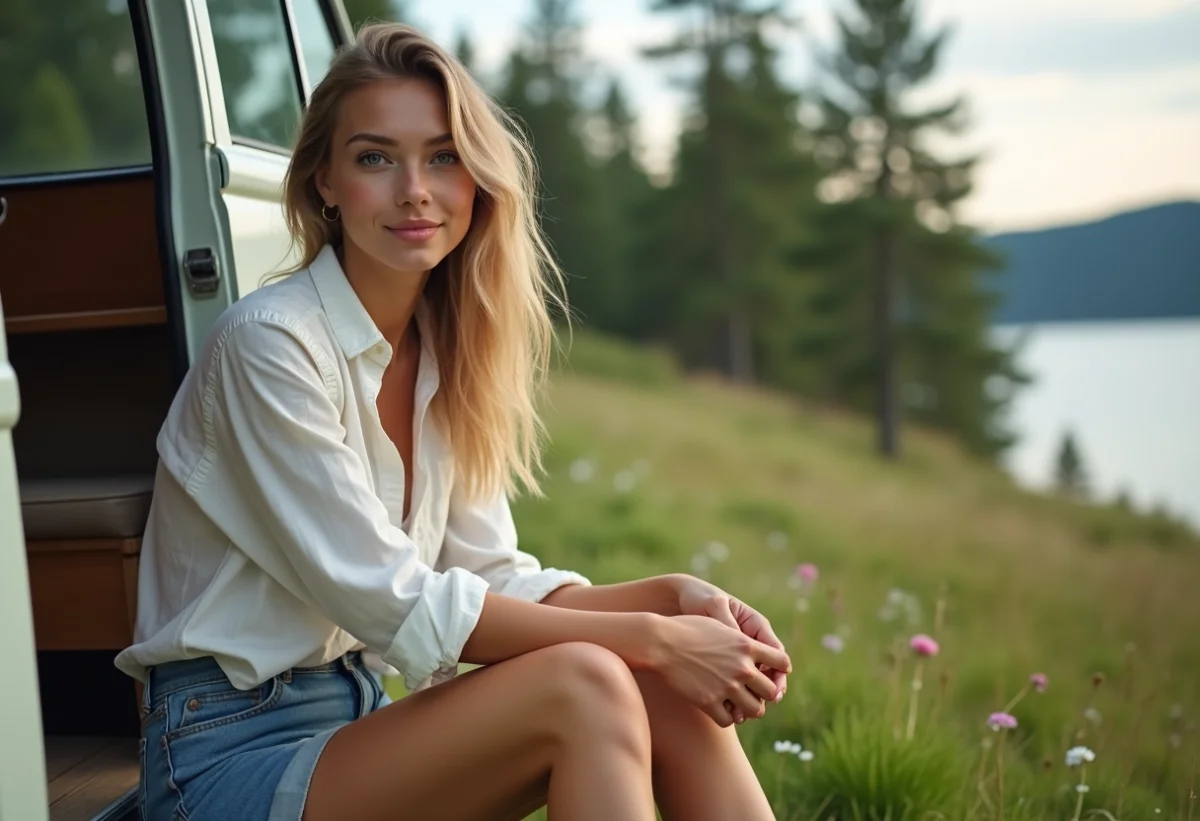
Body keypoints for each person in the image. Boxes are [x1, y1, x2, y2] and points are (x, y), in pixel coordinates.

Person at [116, 22, 791, 821]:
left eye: (442, 157)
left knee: (654, 684)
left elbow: (491, 577)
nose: (415, 190)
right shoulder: (269, 346)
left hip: (354, 721)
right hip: (221, 754)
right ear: (326, 180)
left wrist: (673, 598)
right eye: (376, 159)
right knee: (589, 679)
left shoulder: (443, 355)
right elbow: (395, 602)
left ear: (476, 180)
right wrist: (655, 637)